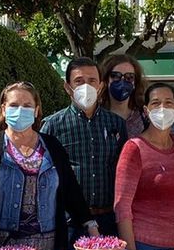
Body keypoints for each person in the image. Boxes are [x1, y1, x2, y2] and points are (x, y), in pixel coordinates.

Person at [0, 81, 96, 250]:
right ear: (3, 109)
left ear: (36, 110)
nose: (20, 110)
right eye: (14, 105)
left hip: (50, 248)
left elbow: (71, 191)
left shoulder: (52, 146)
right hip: (1, 248)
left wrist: (91, 227)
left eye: (27, 106)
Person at [40, 55, 128, 237]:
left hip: (108, 220)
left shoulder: (116, 124)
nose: (86, 87)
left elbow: (123, 171)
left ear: (101, 86)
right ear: (67, 87)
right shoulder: (52, 126)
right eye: (79, 81)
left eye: (92, 81)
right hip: (69, 221)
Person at [114, 82, 174, 250]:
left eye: (168, 103)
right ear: (146, 110)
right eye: (155, 103)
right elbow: (122, 206)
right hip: (145, 246)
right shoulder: (134, 148)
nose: (162, 108)